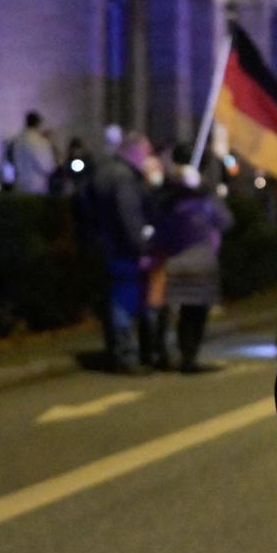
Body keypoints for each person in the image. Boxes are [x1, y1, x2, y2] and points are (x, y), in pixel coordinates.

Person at [86, 133, 156, 374]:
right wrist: (142, 248)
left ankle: (119, 353)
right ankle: (126, 357)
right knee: (124, 304)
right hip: (124, 250)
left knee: (117, 301)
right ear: (135, 151)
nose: (148, 158)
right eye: (146, 152)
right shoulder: (125, 178)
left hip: (107, 247)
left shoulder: (103, 172)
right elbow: (130, 217)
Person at [153, 164, 233, 372]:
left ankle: (177, 353)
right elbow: (226, 221)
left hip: (177, 264)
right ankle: (190, 356)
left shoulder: (167, 205)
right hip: (203, 264)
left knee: (182, 312)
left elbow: (161, 236)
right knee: (198, 312)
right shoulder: (206, 203)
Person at [7, 111, 58, 194]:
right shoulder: (40, 141)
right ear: (38, 123)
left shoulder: (17, 140)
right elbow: (47, 166)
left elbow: (11, 159)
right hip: (37, 185)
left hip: (21, 183)